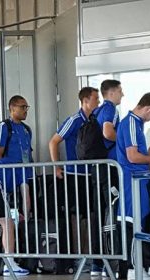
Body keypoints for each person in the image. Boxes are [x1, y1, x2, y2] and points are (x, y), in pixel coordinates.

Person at [116, 92, 150, 280]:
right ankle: (132, 267)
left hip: (141, 179)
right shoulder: (130, 124)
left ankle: (143, 264)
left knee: (142, 220)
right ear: (147, 109)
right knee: (132, 221)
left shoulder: (136, 124)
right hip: (132, 179)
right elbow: (132, 156)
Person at [48, 87, 100, 267]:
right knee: (77, 216)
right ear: (86, 101)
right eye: (95, 99)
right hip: (75, 174)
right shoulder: (74, 120)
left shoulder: (95, 121)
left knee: (91, 214)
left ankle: (90, 255)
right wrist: (57, 166)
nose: (98, 102)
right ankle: (78, 256)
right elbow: (54, 141)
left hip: (90, 174)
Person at [90, 80, 124, 276]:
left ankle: (99, 262)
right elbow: (107, 132)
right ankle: (114, 260)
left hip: (97, 168)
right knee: (113, 210)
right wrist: (124, 140)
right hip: (109, 169)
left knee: (99, 213)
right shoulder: (110, 109)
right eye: (120, 91)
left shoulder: (96, 111)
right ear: (111, 93)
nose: (122, 94)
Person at [0, 95, 34, 216]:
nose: (26, 110)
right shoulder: (4, 127)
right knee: (7, 209)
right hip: (9, 174)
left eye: (27, 107)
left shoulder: (26, 129)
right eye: (23, 107)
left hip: (25, 173)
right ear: (12, 108)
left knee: (27, 205)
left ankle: (25, 228)